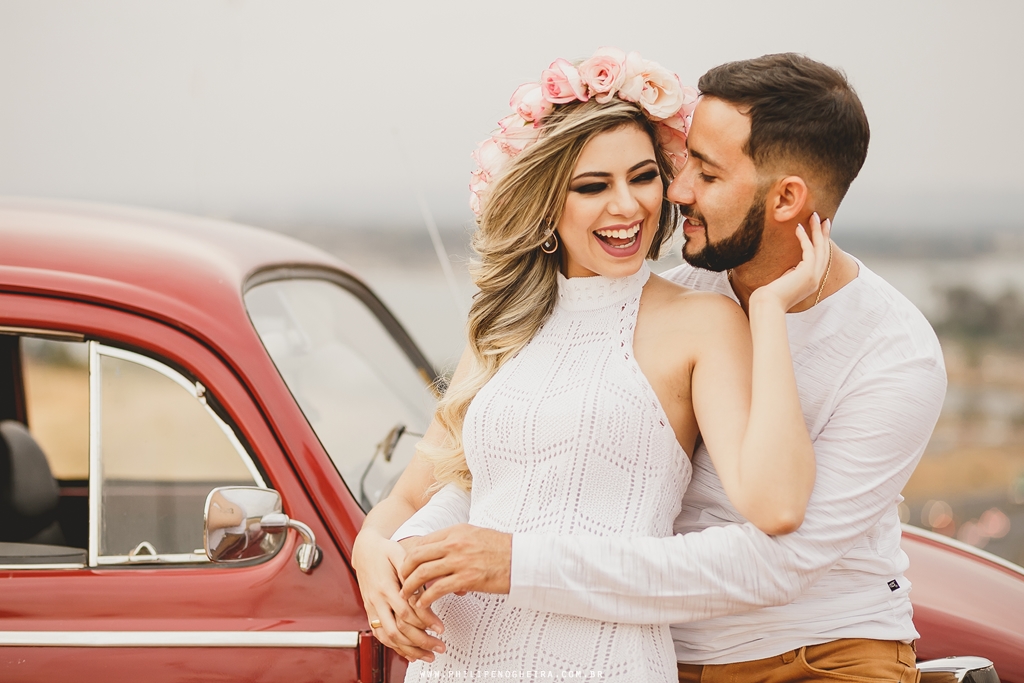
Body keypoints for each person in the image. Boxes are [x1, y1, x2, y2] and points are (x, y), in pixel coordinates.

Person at [383, 53, 948, 682]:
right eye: (680, 166)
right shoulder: (656, 298)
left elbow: (775, 564)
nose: (675, 194)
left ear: (787, 197)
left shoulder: (894, 354)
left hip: (815, 655)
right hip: (649, 643)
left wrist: (517, 564)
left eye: (702, 173)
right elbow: (501, 468)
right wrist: (380, 548)